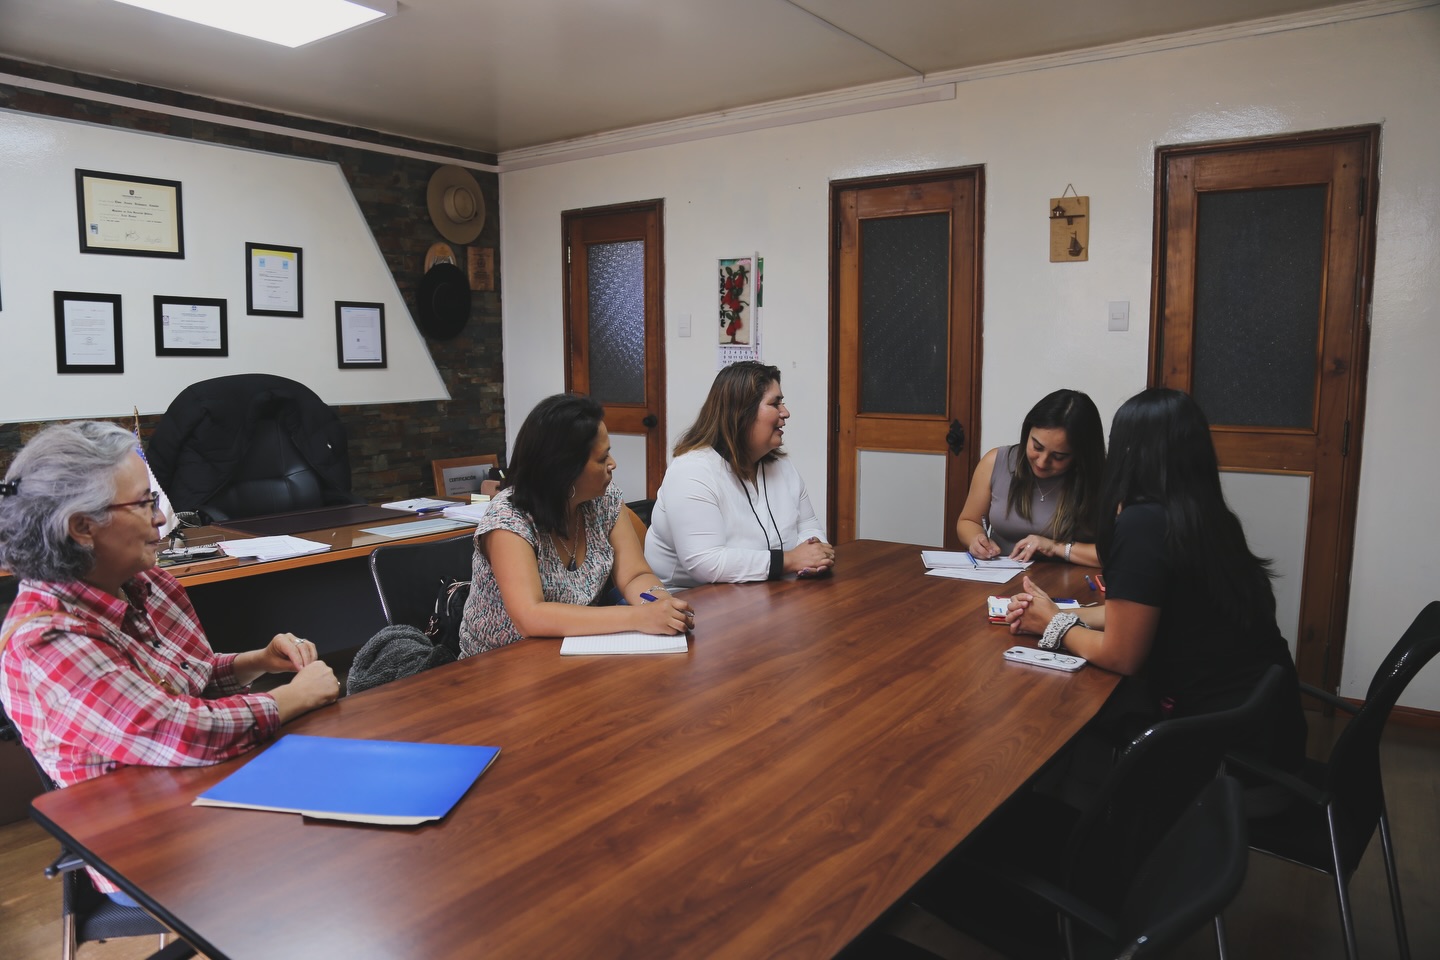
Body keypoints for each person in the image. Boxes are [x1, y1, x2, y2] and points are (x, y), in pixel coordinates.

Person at [0, 421, 339, 904]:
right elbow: (175, 728)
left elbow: (184, 679)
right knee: (332, 853)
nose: (162, 518)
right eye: (143, 503)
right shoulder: (46, 641)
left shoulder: (147, 584)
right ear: (82, 527)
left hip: (209, 787)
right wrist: (289, 698)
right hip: (144, 845)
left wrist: (255, 661)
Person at [1005, 388, 1306, 768]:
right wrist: (1060, 613)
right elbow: (1146, 611)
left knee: (1053, 728)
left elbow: (1122, 655)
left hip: (1217, 748)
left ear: (1129, 452)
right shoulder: (1206, 515)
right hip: (1265, 727)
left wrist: (1054, 625)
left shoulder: (1143, 523)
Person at [458, 394, 693, 656]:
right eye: (602, 458)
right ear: (564, 468)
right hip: (500, 663)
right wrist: (638, 617)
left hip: (574, 651)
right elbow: (530, 616)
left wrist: (660, 603)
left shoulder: (603, 499)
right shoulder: (508, 519)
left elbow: (634, 575)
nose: (613, 464)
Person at [645, 362, 834, 590]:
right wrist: (792, 560)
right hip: (688, 600)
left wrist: (816, 555)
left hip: (762, 590)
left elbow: (808, 526)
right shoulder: (691, 471)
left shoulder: (781, 465)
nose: (785, 412)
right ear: (742, 412)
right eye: (775, 403)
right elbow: (706, 562)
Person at [955, 388, 1105, 565]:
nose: (1042, 462)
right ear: (1027, 433)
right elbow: (968, 521)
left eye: (1058, 457)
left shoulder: (1101, 480)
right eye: (1037, 447)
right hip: (1001, 579)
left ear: (1081, 455)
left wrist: (1055, 547)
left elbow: (1114, 555)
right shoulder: (996, 462)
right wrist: (976, 539)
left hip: (1068, 585)